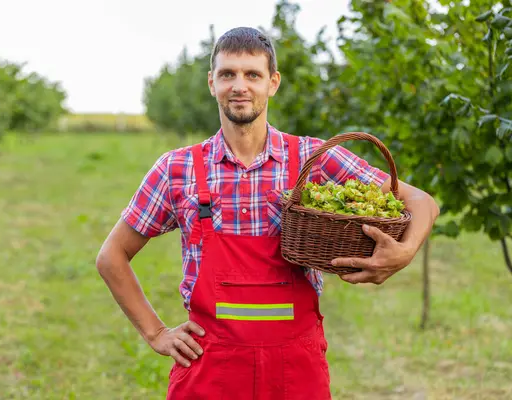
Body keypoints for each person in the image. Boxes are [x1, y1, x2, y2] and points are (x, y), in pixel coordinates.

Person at [96, 27, 440, 400]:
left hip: (294, 372)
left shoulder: (313, 159)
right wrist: (156, 333)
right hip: (211, 371)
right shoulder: (178, 168)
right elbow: (111, 257)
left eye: (252, 75)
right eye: (228, 74)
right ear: (212, 82)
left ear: (272, 83)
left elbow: (422, 202)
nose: (239, 86)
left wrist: (404, 253)